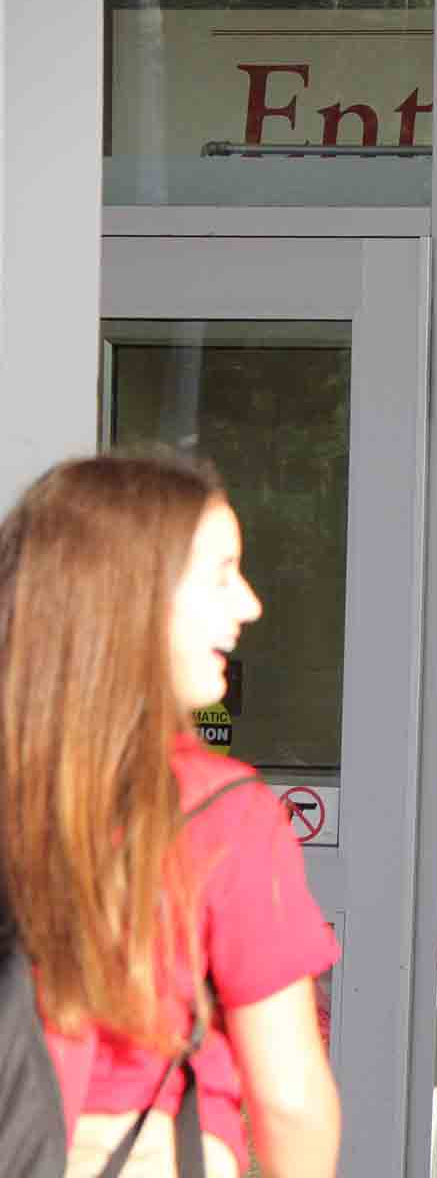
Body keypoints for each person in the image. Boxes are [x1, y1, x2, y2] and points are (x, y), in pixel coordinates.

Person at [0, 455, 341, 1178]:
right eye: (221, 574)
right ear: (130, 596)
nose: (249, 604)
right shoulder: (220, 813)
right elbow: (288, 1100)